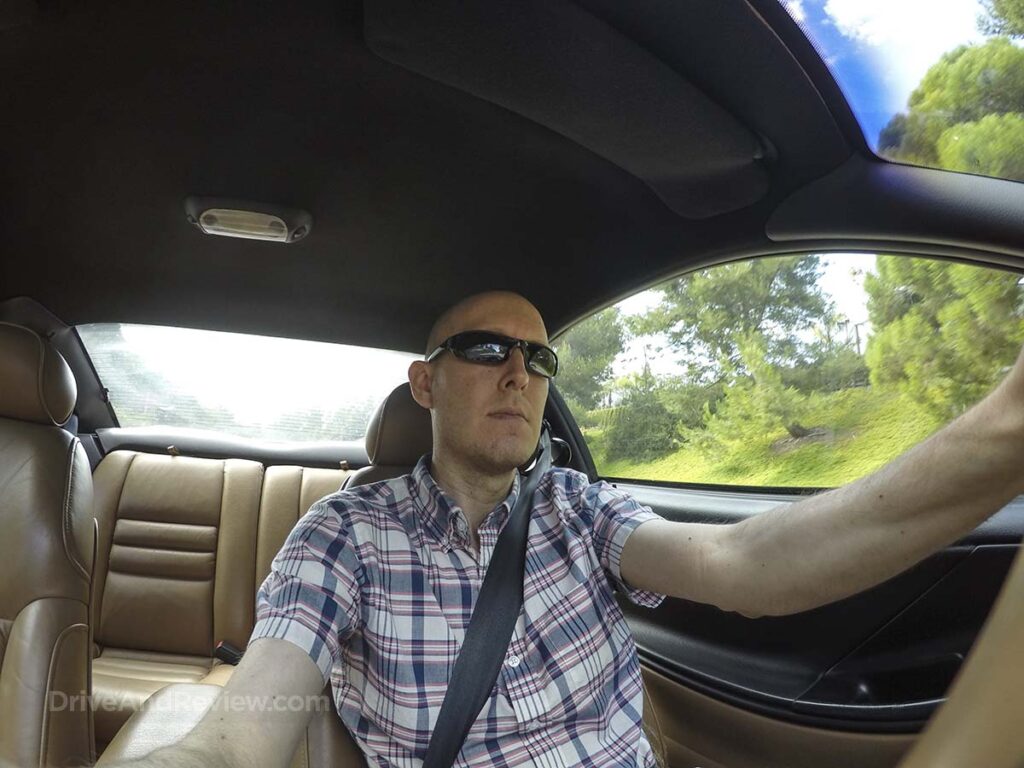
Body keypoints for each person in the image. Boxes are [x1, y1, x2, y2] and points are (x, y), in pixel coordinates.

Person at [108, 291, 1024, 768]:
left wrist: (1003, 433)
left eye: (538, 357)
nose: (519, 372)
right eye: (485, 349)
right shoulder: (343, 535)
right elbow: (246, 724)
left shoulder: (580, 509)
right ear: (424, 383)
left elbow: (741, 563)